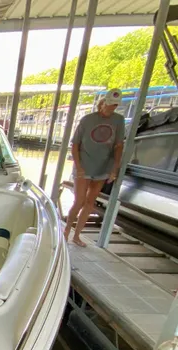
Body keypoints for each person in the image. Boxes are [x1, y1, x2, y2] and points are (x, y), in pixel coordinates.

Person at [64, 88, 126, 247]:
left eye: (115, 105)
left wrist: (115, 168)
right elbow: (75, 144)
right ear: (103, 102)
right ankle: (65, 232)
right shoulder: (87, 120)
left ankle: (77, 235)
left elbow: (119, 145)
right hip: (84, 164)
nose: (112, 108)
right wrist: (78, 167)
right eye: (110, 104)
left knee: (90, 202)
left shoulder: (119, 120)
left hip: (103, 166)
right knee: (79, 201)